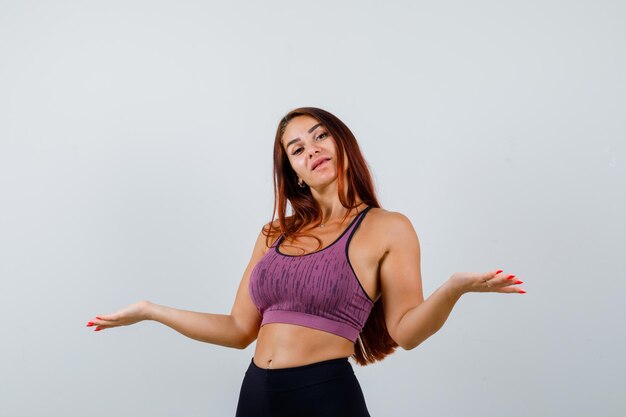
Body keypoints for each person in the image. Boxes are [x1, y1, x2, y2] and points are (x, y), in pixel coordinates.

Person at [86, 107, 525, 417]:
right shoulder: (274, 234)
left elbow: (405, 332)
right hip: (255, 395)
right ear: (293, 171)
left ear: (340, 141)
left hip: (324, 396)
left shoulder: (388, 227)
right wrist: (150, 311)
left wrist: (453, 289)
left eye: (319, 135)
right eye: (296, 149)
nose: (311, 149)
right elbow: (239, 330)